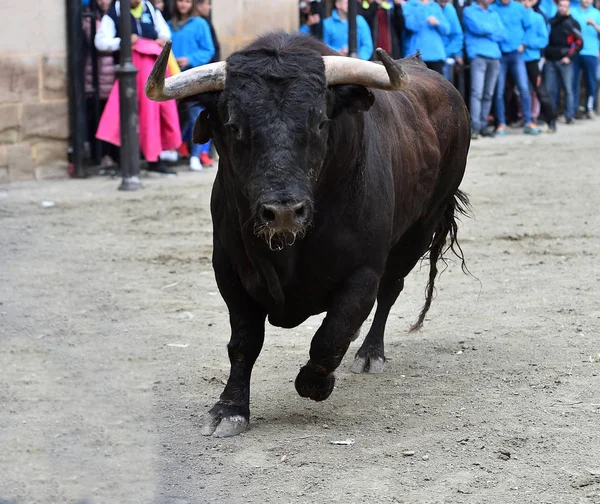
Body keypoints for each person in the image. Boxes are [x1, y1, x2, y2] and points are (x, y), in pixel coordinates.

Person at [95, 0, 182, 175]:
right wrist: (122, 42)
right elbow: (101, 42)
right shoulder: (115, 12)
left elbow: (165, 32)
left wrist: (161, 39)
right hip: (126, 76)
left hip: (152, 72)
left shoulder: (149, 8)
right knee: (125, 115)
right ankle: (124, 162)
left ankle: (154, 159)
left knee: (154, 114)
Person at [170, 0, 215, 170]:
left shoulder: (200, 23)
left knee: (195, 113)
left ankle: (195, 155)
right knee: (180, 116)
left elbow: (208, 49)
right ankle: (179, 145)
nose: (183, 4)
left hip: (193, 77)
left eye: (187, 1)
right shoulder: (168, 25)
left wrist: (190, 59)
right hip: (173, 78)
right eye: (180, 1)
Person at [490, 0, 542, 135]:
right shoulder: (492, 8)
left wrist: (524, 43)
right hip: (499, 55)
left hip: (517, 54)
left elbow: (529, 27)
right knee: (499, 90)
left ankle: (528, 122)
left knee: (524, 88)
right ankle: (501, 124)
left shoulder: (519, 8)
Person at [463, 0, 507, 138]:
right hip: (478, 56)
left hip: (494, 56)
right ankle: (474, 127)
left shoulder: (494, 12)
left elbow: (502, 33)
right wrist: (490, 30)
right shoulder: (469, 11)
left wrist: (487, 31)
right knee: (477, 92)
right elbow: (478, 28)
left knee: (488, 93)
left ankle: (483, 126)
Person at [543, 0, 583, 124]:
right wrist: (544, 56)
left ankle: (569, 115)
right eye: (561, 5)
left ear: (569, 7)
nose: (562, 8)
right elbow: (545, 40)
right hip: (550, 60)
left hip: (565, 61)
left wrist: (569, 57)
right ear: (557, 6)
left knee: (568, 89)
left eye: (565, 6)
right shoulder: (551, 22)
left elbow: (579, 43)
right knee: (550, 90)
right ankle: (551, 116)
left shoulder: (572, 23)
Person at [522, 0, 557, 130]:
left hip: (532, 59)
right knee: (515, 91)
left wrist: (526, 43)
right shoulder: (516, 15)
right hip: (515, 58)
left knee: (539, 90)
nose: (526, 3)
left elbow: (543, 40)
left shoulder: (538, 17)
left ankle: (551, 119)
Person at [570, 0, 600, 118]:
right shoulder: (572, 11)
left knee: (591, 82)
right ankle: (574, 108)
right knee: (573, 82)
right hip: (575, 52)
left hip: (591, 51)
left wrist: (594, 25)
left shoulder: (596, 13)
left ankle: (589, 108)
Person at [403, 0, 450, 73]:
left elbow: (447, 30)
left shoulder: (434, 5)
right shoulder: (408, 5)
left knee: (437, 84)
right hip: (416, 56)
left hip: (436, 55)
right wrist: (422, 6)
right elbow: (411, 26)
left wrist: (438, 23)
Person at [437, 0, 464, 80]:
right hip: (426, 55)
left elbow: (457, 35)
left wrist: (456, 53)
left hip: (445, 56)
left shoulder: (450, 9)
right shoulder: (428, 6)